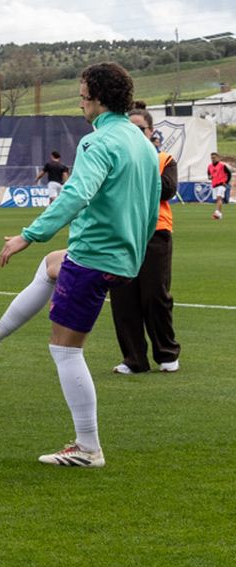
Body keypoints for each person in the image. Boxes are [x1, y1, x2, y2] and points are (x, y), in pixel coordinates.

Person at [0, 63, 159, 467]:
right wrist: (134, 248)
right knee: (51, 266)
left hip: (93, 256)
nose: (81, 102)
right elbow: (151, 207)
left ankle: (87, 447)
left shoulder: (97, 143)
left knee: (65, 351)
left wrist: (28, 234)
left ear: (98, 99)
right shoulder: (142, 142)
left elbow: (75, 195)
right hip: (125, 256)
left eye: (83, 95)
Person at [109, 106, 179, 375]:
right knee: (123, 298)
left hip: (155, 232)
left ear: (151, 132)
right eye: (131, 129)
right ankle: (134, 359)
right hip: (122, 232)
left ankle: (167, 353)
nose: (136, 133)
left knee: (154, 294)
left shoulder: (164, 158)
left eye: (141, 129)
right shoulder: (117, 158)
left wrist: (136, 175)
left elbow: (168, 189)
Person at [208, 151, 231, 220]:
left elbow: (229, 174)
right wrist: (210, 177)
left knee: (219, 198)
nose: (213, 159)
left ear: (218, 158)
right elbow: (209, 175)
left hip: (221, 184)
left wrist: (226, 182)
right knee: (217, 199)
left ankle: (216, 212)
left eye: (214, 157)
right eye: (212, 158)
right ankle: (219, 214)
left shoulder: (222, 165)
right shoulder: (209, 166)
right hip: (214, 185)